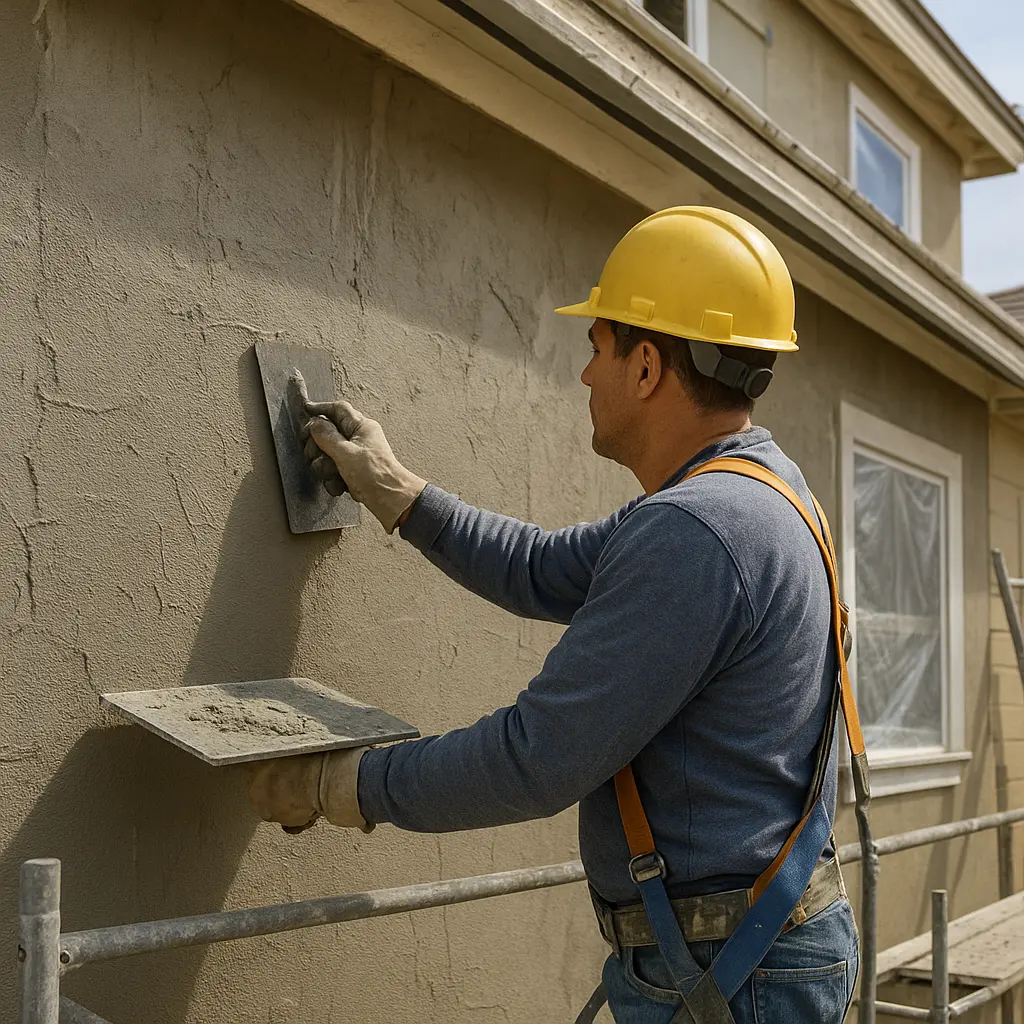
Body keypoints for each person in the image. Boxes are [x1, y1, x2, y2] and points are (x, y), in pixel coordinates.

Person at [245, 206, 865, 1023]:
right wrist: (395, 489)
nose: (585, 376)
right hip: (751, 952)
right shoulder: (754, 494)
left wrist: (338, 785)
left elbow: (534, 759)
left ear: (646, 365)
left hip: (731, 972)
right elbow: (541, 568)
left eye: (596, 348)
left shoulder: (698, 531)